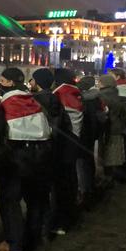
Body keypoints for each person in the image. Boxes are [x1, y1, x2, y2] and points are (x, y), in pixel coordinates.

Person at [0, 68, 52, 251]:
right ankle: (29, 241)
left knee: (10, 202)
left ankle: (16, 249)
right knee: (34, 200)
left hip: (15, 155)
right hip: (39, 154)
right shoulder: (33, 100)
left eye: (1, 80)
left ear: (8, 83)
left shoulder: (5, 103)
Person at [28, 68, 65, 241]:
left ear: (38, 82)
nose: (30, 83)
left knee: (35, 196)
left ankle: (35, 232)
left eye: (32, 80)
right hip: (53, 150)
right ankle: (47, 229)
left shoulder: (35, 101)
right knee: (47, 193)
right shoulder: (57, 100)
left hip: (38, 152)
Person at [50, 68, 84, 235]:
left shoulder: (61, 94)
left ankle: (61, 222)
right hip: (74, 142)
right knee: (70, 181)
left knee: (61, 184)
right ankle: (70, 215)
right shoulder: (75, 93)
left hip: (64, 145)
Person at [76, 76, 106, 208]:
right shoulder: (97, 98)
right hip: (91, 135)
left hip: (83, 135)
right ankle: (89, 187)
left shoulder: (84, 100)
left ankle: (84, 192)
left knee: (81, 165)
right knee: (88, 162)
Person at [97, 75, 126, 183]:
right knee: (116, 154)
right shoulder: (117, 94)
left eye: (100, 82)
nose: (98, 84)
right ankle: (118, 175)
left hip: (107, 128)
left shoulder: (101, 95)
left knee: (106, 154)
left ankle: (109, 178)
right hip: (118, 127)